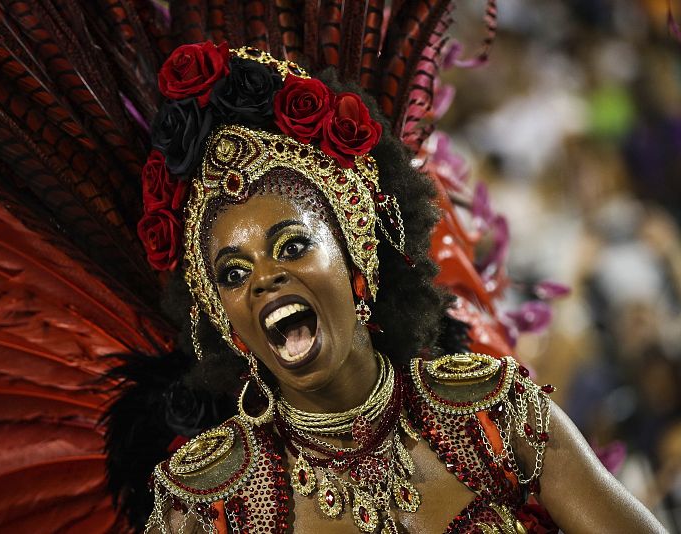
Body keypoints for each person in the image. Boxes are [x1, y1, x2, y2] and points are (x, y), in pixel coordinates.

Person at [130, 43, 666, 534]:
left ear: (356, 249)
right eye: (232, 272)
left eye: (292, 245)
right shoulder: (209, 505)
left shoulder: (490, 413)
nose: (264, 277)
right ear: (222, 317)